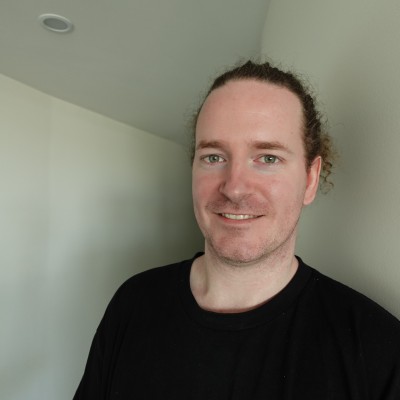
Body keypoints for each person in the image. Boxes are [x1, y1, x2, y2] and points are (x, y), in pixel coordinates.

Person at [73, 60, 400, 399]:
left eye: (268, 158)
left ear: (310, 179)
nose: (235, 188)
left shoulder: (378, 351)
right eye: (214, 157)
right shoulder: (133, 302)